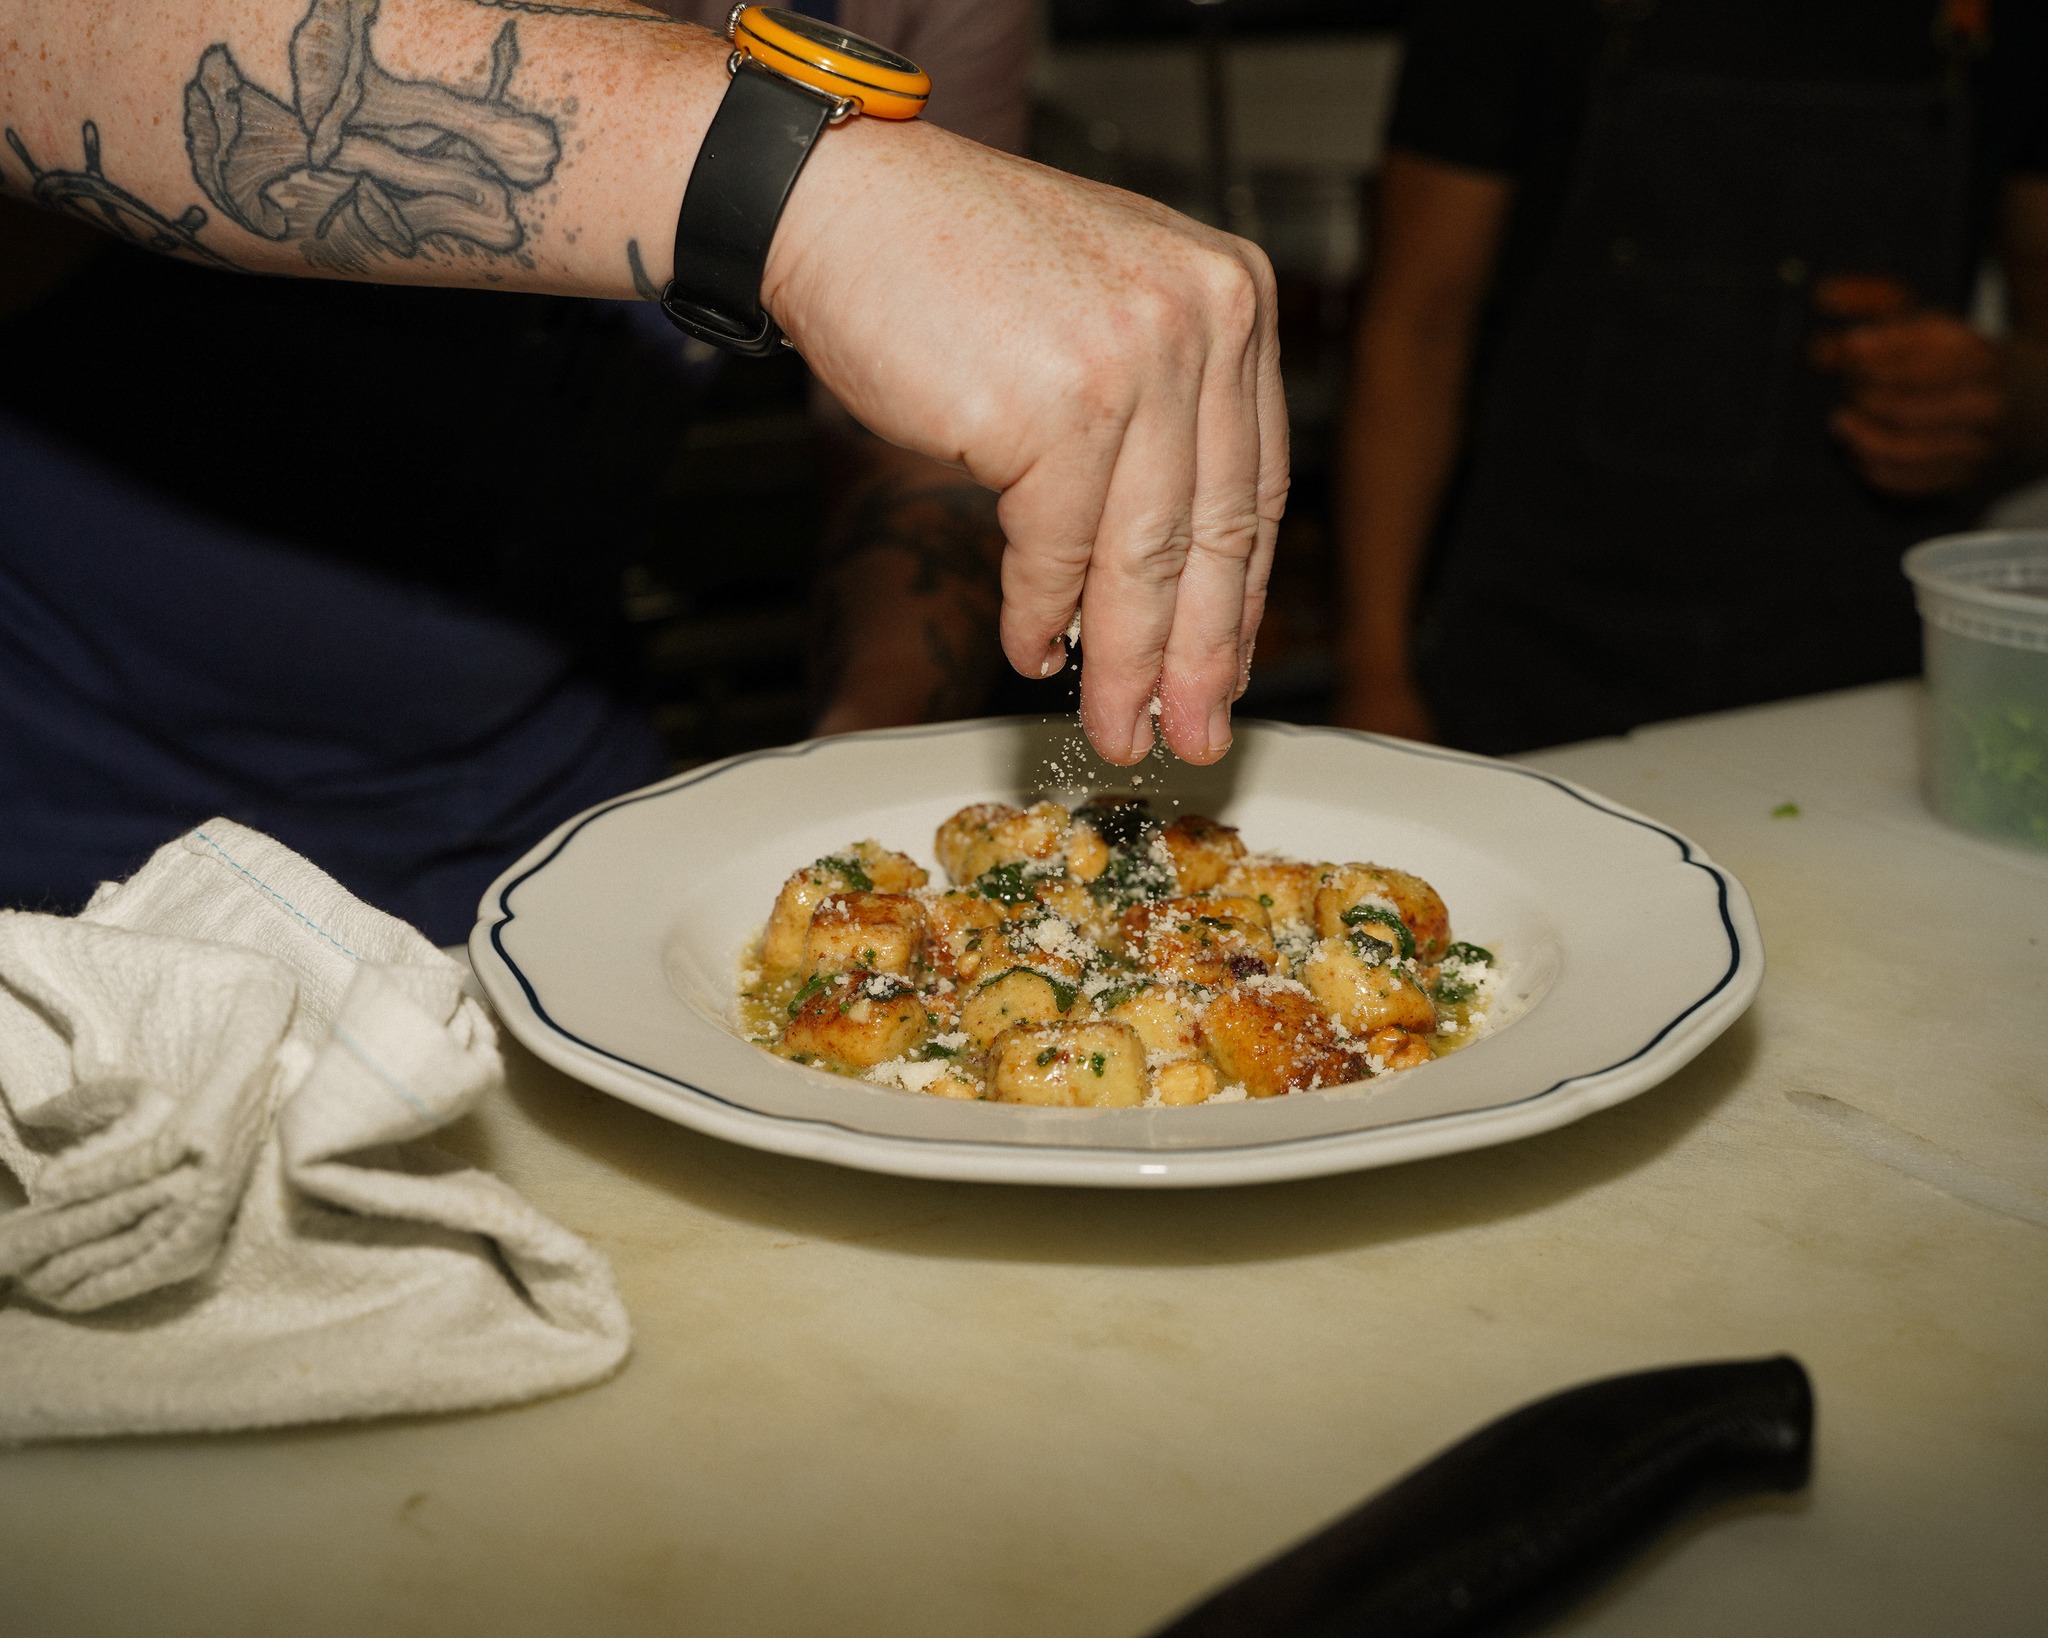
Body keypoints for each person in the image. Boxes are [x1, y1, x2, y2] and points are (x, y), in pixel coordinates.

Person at [0, 0, 1284, 940]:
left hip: (553, 830)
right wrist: (798, 188)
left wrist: (843, 770)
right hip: (75, 859)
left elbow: (915, 469)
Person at [1331, 0, 2048, 754]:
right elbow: (1415, 329)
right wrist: (1376, 670)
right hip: (1544, 657)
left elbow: (2038, 356)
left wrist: (2000, 395)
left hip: (1874, 679)